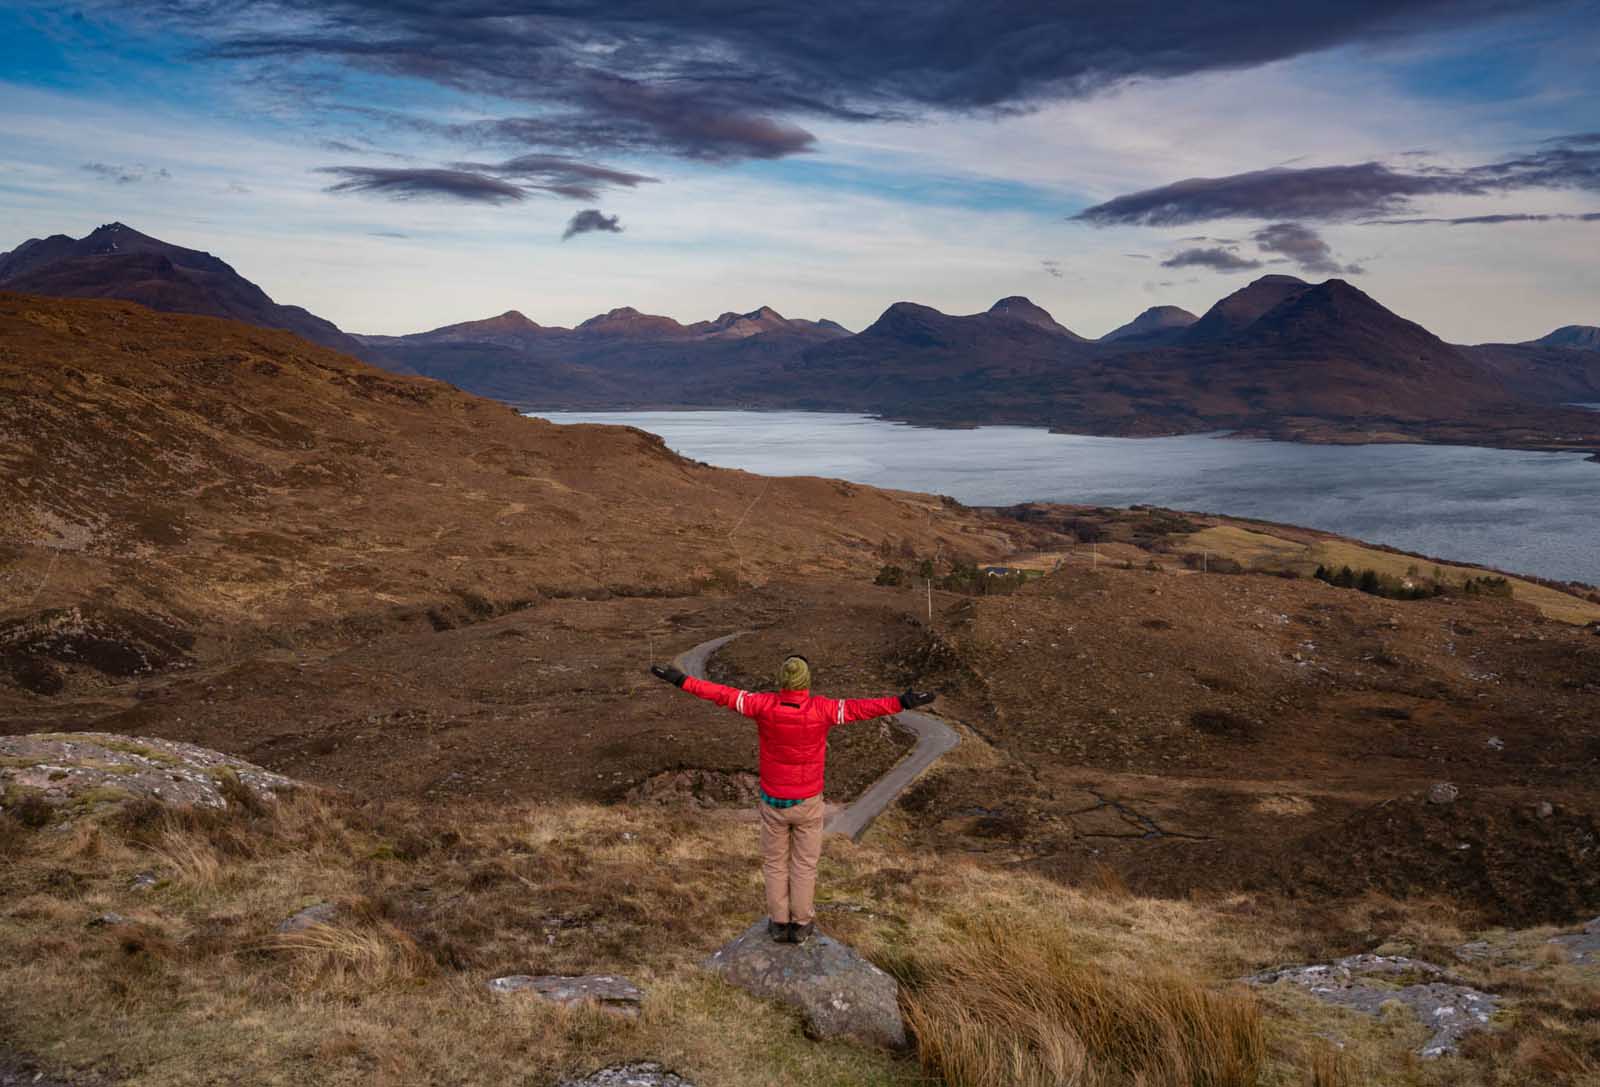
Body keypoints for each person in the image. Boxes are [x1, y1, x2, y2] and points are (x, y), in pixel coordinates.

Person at [651, 653, 935, 944]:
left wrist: (680, 680)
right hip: (808, 802)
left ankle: (778, 922)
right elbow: (862, 709)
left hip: (773, 801)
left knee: (774, 863)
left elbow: (720, 694)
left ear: (781, 681)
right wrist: (903, 702)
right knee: (804, 864)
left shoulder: (761, 705)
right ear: (806, 682)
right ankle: (801, 924)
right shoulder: (823, 709)